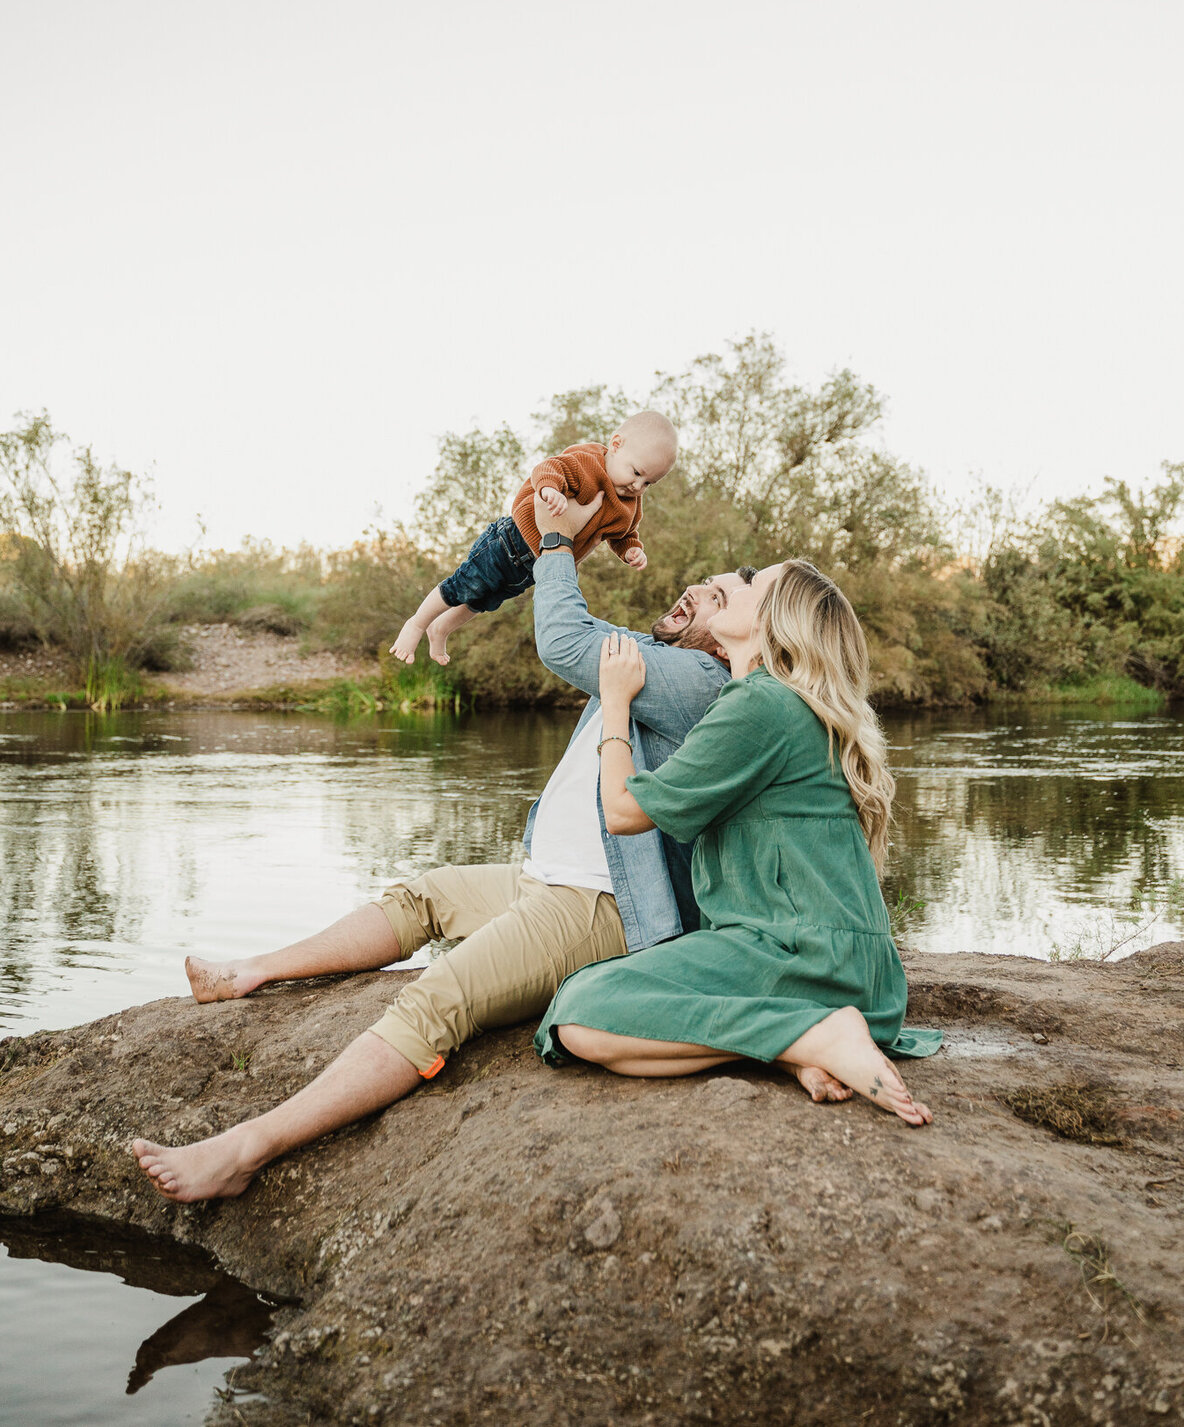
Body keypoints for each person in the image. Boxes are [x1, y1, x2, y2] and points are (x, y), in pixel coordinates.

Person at [132, 494, 824, 1206]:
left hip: (598, 904)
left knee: (436, 997)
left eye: (725, 592)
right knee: (423, 894)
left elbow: (561, 642)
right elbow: (572, 621)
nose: (703, 587)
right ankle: (251, 970)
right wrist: (567, 535)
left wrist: (556, 543)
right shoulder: (664, 657)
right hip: (548, 879)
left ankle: (246, 1148)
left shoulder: (700, 680)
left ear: (745, 633)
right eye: (714, 580)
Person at [535, 560, 942, 1127]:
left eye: (751, 582)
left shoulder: (761, 705)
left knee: (580, 1014)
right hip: (859, 975)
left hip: (795, 955)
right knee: (591, 1018)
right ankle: (801, 1045)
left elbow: (624, 813)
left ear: (777, 622)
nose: (730, 581)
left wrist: (617, 703)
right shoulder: (786, 704)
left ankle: (814, 1034)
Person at [389, 411, 677, 665]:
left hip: (536, 567)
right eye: (636, 472)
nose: (638, 486)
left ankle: (440, 629)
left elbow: (624, 534)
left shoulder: (628, 506)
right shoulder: (587, 462)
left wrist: (630, 550)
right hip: (510, 541)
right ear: (616, 445)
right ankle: (416, 624)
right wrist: (549, 490)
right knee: (464, 585)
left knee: (483, 601)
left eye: (649, 482)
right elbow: (549, 468)